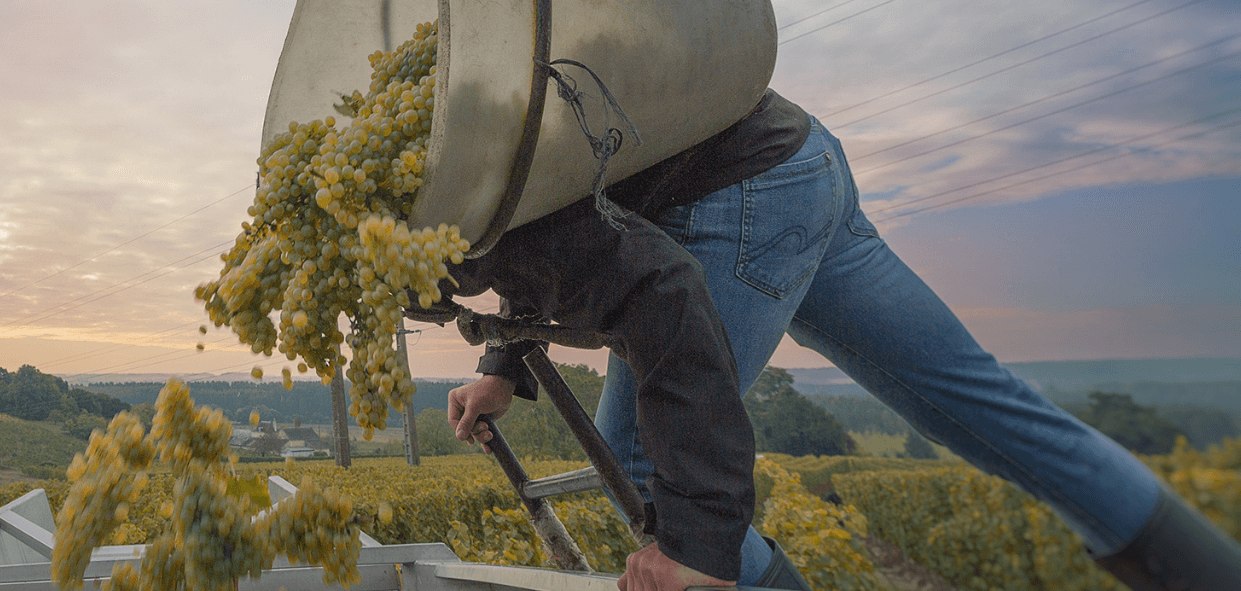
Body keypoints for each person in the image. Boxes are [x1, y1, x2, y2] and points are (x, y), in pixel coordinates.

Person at [443, 88, 1241, 591]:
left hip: (731, 201)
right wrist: (502, 367)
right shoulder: (485, 92)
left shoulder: (436, 178)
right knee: (983, 405)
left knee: (641, 465)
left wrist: (702, 550)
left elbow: (655, 294)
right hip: (798, 157)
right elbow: (543, 202)